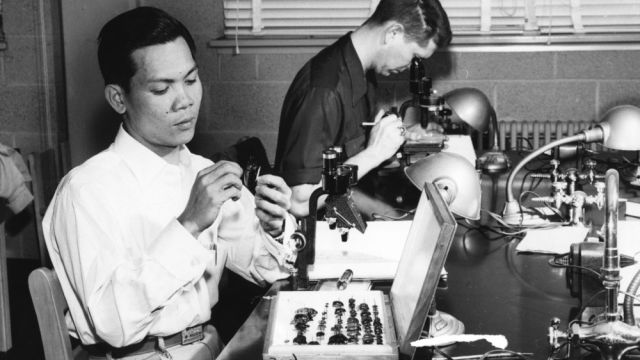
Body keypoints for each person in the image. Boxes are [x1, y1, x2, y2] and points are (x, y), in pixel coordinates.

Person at [42, 7, 297, 359]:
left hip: (207, 346)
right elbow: (114, 323)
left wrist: (275, 225)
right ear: (119, 98)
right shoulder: (86, 191)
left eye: (191, 80)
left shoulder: (202, 171)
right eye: (162, 89)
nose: (185, 101)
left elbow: (270, 270)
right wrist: (189, 225)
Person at [274, 0, 451, 217]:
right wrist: (375, 153)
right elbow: (299, 200)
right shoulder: (324, 91)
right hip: (315, 235)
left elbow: (350, 165)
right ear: (393, 33)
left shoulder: (361, 72)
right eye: (414, 57)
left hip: (345, 210)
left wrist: (398, 140)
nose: (411, 67)